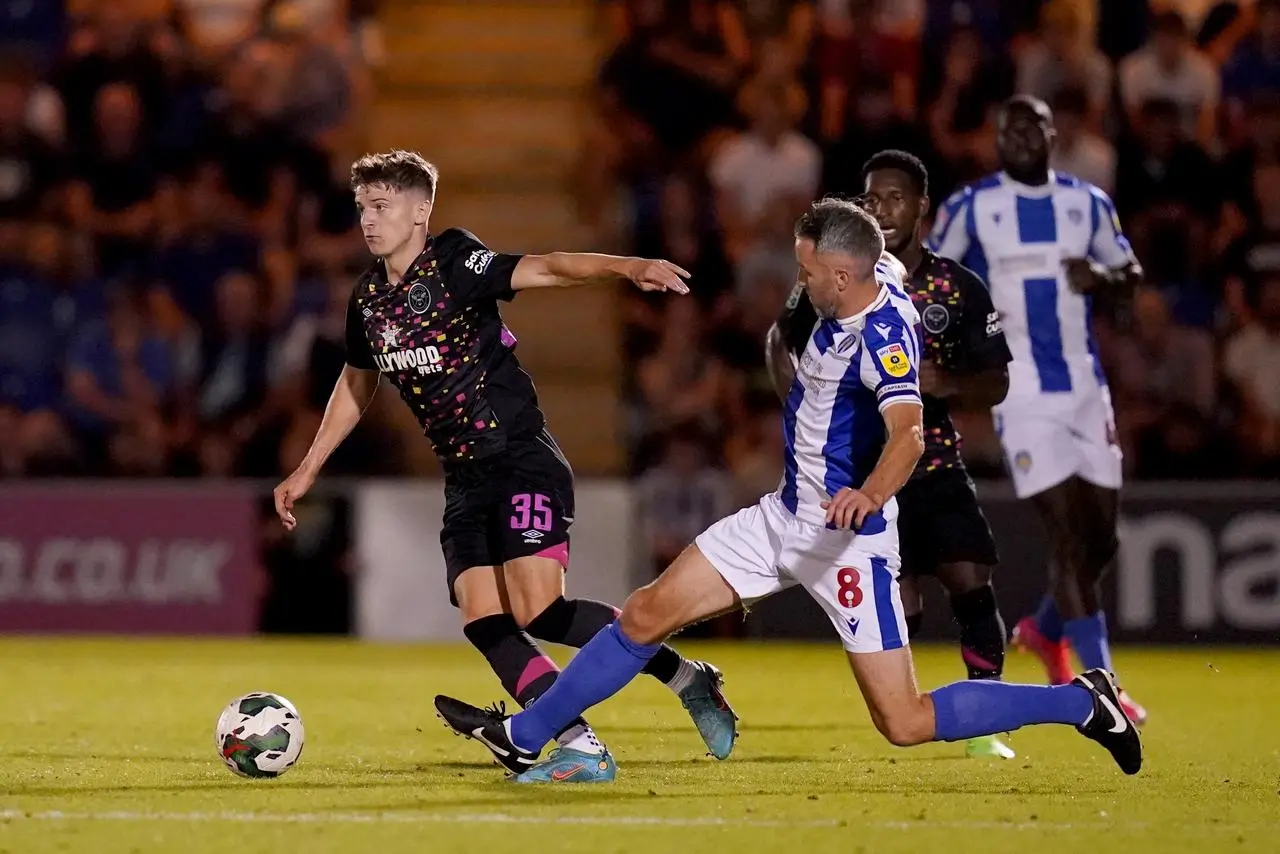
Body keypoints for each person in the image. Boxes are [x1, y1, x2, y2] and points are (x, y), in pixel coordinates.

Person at [434, 198, 1143, 782]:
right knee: (647, 611)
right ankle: (527, 735)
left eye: (809, 271)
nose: (800, 283)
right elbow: (876, 255)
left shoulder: (884, 336)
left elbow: (910, 434)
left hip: (847, 545)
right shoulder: (865, 285)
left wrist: (869, 493)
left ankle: (1080, 705)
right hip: (782, 519)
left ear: (841, 275)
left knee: (905, 721)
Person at [272, 150, 738, 783]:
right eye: (362, 207)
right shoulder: (368, 303)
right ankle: (579, 744)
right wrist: (307, 468)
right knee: (483, 619)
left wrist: (628, 266)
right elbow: (357, 385)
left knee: (540, 609)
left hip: (519, 457)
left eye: (382, 206)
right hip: (463, 478)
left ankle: (686, 676)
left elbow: (543, 266)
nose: (368, 220)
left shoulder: (456, 262)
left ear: (420, 211)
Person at [766, 150, 1016, 760]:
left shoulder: (956, 286)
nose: (883, 208)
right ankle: (914, 703)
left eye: (896, 198)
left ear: (921, 206)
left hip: (930, 464)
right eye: (872, 199)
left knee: (969, 578)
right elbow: (780, 340)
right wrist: (805, 409)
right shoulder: (834, 276)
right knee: (898, 600)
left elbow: (997, 381)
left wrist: (946, 385)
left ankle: (985, 715)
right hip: (860, 475)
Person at [927, 96, 1148, 725]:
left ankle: (1047, 632)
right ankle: (1103, 681)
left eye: (1032, 126)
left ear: (1054, 135)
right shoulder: (973, 205)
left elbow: (1129, 267)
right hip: (1017, 393)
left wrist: (1103, 281)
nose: (1020, 136)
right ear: (995, 139)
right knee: (1067, 537)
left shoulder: (1088, 203)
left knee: (1102, 538)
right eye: (1007, 128)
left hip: (1084, 386)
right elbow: (931, 275)